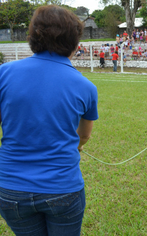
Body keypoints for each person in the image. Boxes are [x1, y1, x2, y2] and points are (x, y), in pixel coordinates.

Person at [0, 5, 98, 236]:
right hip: (63, 188)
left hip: (10, 188)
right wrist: (80, 146)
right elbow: (83, 135)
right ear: (75, 43)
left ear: (33, 37)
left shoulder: (4, 73)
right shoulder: (86, 87)